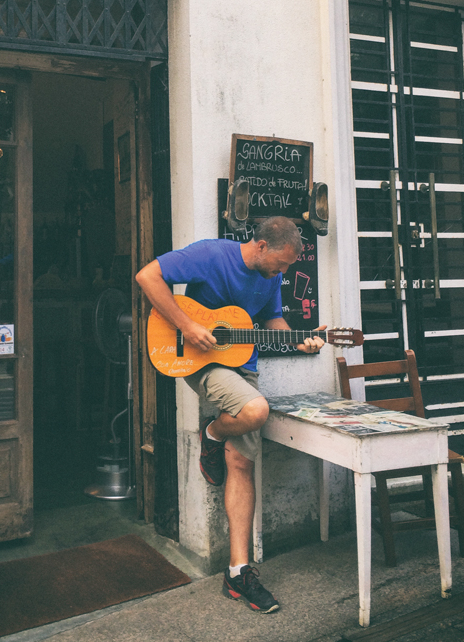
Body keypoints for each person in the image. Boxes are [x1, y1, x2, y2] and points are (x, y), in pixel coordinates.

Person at [135, 216, 325, 614]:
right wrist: (186, 325)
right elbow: (147, 276)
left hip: (243, 364)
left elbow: (273, 322)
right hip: (200, 362)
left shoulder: (271, 277)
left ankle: (238, 573)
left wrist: (300, 341)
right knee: (256, 410)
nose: (285, 271)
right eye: (282, 262)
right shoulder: (210, 254)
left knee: (241, 463)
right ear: (260, 247)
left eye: (290, 265)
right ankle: (213, 433)